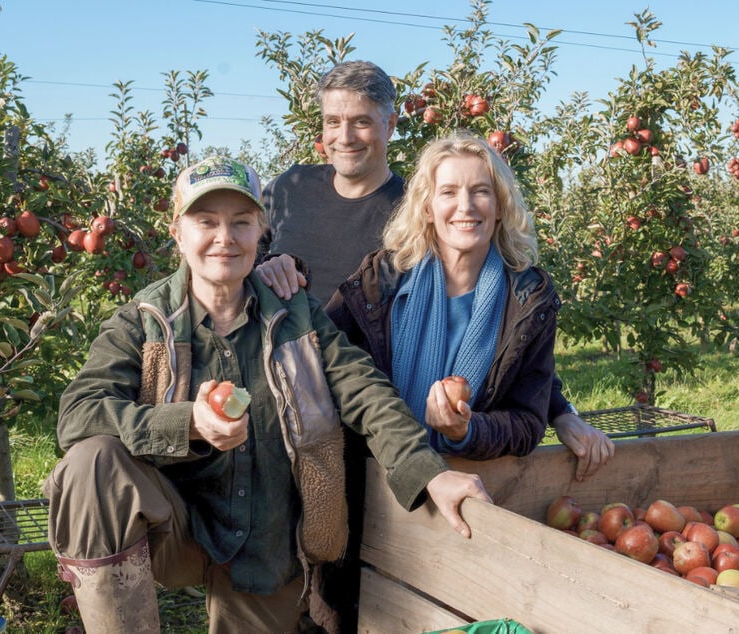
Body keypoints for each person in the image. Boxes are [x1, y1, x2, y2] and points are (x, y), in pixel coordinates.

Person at [43, 156, 490, 634]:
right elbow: (77, 415)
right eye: (205, 222)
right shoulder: (144, 322)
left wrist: (428, 473)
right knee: (92, 461)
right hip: (170, 526)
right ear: (178, 232)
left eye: (240, 222)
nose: (224, 237)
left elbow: (365, 392)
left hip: (265, 541)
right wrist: (188, 423)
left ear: (261, 229)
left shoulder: (296, 316)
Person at [259, 60, 613, 477]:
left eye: (360, 122)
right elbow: (242, 260)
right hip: (291, 409)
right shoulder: (289, 189)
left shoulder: (415, 221)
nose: (344, 137)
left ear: (389, 125)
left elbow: (513, 348)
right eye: (332, 121)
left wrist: (560, 411)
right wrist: (264, 266)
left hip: (372, 443)